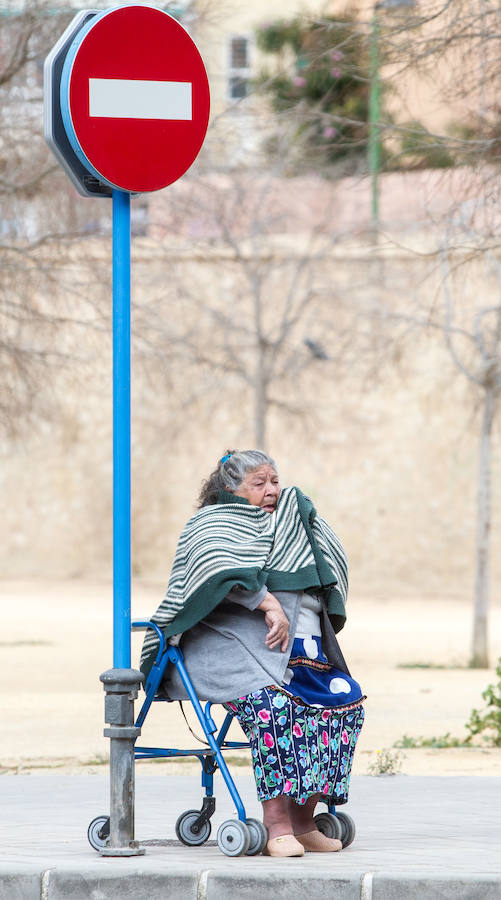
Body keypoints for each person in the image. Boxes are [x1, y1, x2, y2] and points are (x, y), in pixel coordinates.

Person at [140, 449, 365, 858]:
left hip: (299, 657)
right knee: (275, 708)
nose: (271, 491)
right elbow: (216, 570)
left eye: (274, 481)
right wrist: (268, 602)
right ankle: (275, 825)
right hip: (227, 653)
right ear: (230, 489)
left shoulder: (287, 523)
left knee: (345, 704)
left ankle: (302, 821)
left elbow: (325, 563)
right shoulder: (211, 524)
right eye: (258, 483)